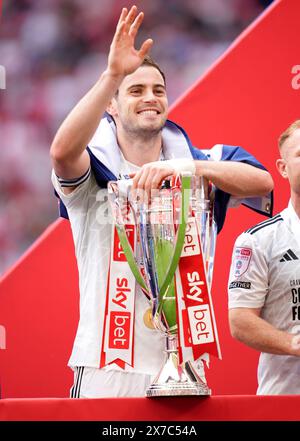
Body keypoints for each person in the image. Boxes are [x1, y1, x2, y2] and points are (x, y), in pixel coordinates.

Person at [50, 5, 273, 398]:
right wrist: (112, 75)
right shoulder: (95, 169)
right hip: (108, 363)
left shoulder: (198, 162)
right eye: (135, 90)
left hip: (183, 363)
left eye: (158, 90)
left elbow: (263, 181)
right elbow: (61, 152)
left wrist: (189, 169)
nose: (150, 98)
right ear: (112, 106)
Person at [228, 119, 300, 395]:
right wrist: (294, 344)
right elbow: (240, 321)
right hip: (286, 400)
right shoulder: (257, 240)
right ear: (282, 168)